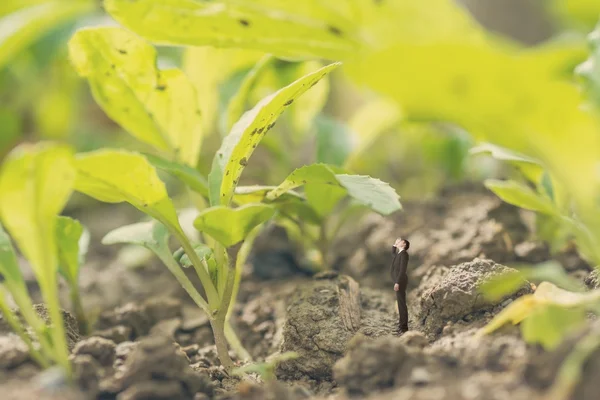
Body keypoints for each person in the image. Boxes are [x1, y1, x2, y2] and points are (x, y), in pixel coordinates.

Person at [391, 238, 410, 334]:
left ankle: (404, 327)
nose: (397, 242)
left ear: (404, 244)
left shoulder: (404, 254)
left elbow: (402, 270)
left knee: (402, 304)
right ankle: (401, 325)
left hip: (401, 281)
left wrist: (397, 282)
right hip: (398, 281)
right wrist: (394, 246)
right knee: (400, 303)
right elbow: (393, 255)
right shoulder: (399, 254)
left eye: (399, 241)